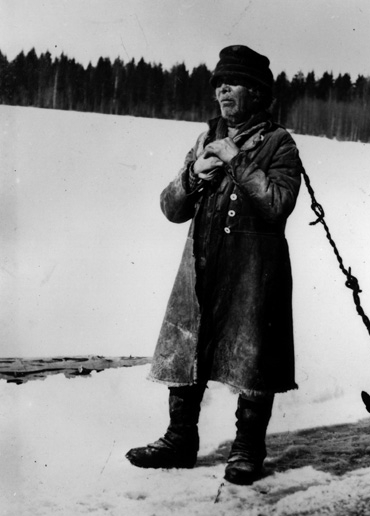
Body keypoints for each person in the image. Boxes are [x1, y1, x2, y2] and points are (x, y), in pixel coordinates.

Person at [126, 45, 303, 486]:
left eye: (234, 83)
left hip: (252, 273)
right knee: (189, 347)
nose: (223, 91)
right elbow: (171, 208)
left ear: (257, 93)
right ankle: (179, 440)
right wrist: (193, 176)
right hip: (201, 263)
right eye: (219, 84)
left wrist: (235, 160)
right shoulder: (205, 139)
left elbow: (278, 204)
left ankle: (247, 450)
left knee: (253, 359)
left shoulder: (279, 143)